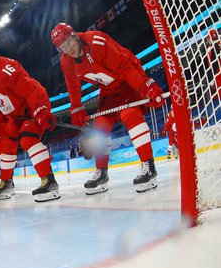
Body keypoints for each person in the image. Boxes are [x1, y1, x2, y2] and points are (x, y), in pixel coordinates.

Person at [51, 23, 165, 194]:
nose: (68, 50)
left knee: (130, 115)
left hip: (128, 79)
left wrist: (144, 88)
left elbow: (126, 69)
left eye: (68, 43)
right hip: (109, 89)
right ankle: (101, 173)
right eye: (63, 48)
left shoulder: (97, 41)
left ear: (75, 35)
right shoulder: (66, 61)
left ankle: (149, 166)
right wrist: (76, 108)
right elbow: (73, 86)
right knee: (100, 125)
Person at [0, 38, 61, 202]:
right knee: (6, 144)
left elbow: (34, 89)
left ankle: (49, 181)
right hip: (15, 114)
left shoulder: (6, 69)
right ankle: (6, 183)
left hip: (31, 108)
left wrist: (41, 110)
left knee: (27, 139)